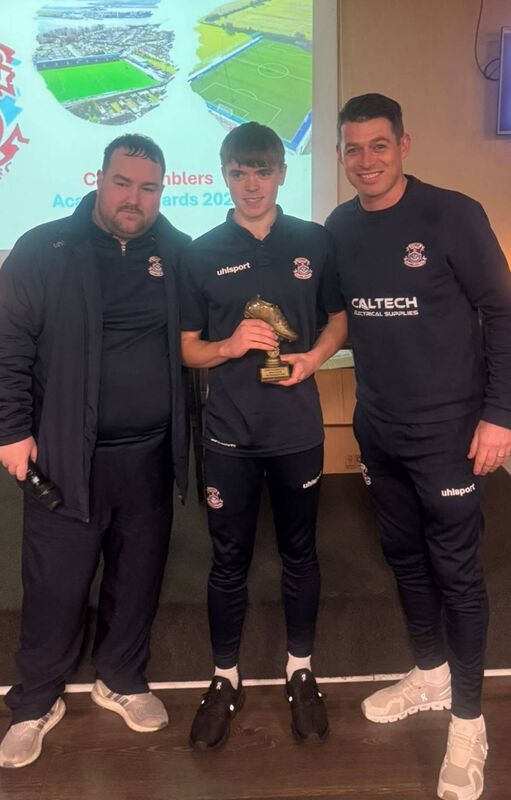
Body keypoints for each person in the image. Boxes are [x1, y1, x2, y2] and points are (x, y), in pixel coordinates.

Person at [325, 93, 511, 800]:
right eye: (351, 148)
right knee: (404, 557)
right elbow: (340, 317)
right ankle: (430, 675)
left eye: (377, 145)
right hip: (379, 428)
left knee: (456, 571)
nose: (364, 160)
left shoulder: (450, 214)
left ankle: (468, 720)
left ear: (403, 145)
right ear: (339, 155)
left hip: (451, 431)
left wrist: (499, 414)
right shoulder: (339, 227)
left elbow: (499, 310)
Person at [0, 134, 190, 768]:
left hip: (151, 457)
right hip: (64, 457)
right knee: (55, 585)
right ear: (99, 179)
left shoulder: (176, 250)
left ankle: (121, 678)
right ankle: (35, 701)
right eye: (123, 183)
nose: (134, 198)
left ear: (162, 190)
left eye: (148, 187)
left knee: (136, 579)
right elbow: (9, 348)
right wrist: (11, 430)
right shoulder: (43, 248)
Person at [180, 122, 347, 751]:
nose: (251, 184)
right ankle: (225, 678)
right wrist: (226, 346)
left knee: (300, 554)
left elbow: (337, 318)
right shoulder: (199, 251)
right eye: (239, 172)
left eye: (263, 171)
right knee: (229, 562)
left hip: (297, 433)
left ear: (282, 173)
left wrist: (315, 359)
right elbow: (187, 349)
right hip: (228, 437)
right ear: (224, 175)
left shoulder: (314, 242)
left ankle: (300, 669)